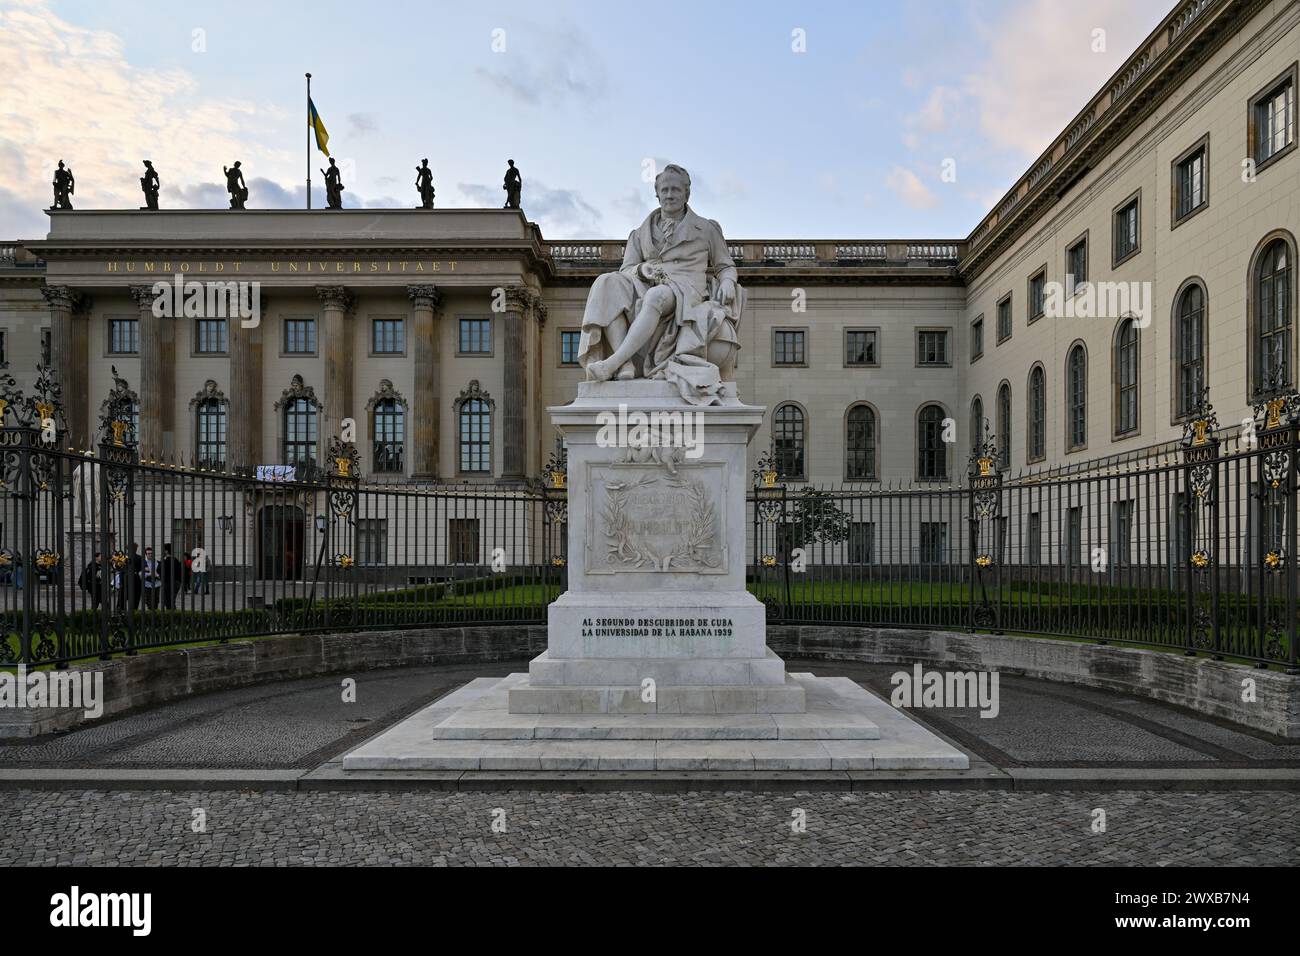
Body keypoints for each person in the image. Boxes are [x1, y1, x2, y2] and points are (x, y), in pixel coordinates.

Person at [576, 163, 743, 405]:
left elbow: (725, 265)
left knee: (657, 297)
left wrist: (728, 281)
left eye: (676, 189)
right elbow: (627, 270)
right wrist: (642, 269)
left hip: (686, 289)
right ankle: (625, 365)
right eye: (665, 190)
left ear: (687, 193)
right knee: (607, 283)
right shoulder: (639, 233)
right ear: (657, 193)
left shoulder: (706, 228)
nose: (670, 195)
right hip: (646, 283)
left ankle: (612, 362)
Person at [160, 543, 183, 609]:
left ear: (166, 551)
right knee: (171, 600)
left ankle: (170, 615)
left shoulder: (166, 561)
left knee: (168, 601)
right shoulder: (175, 560)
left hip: (168, 583)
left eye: (163, 550)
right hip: (176, 583)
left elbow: (161, 571)